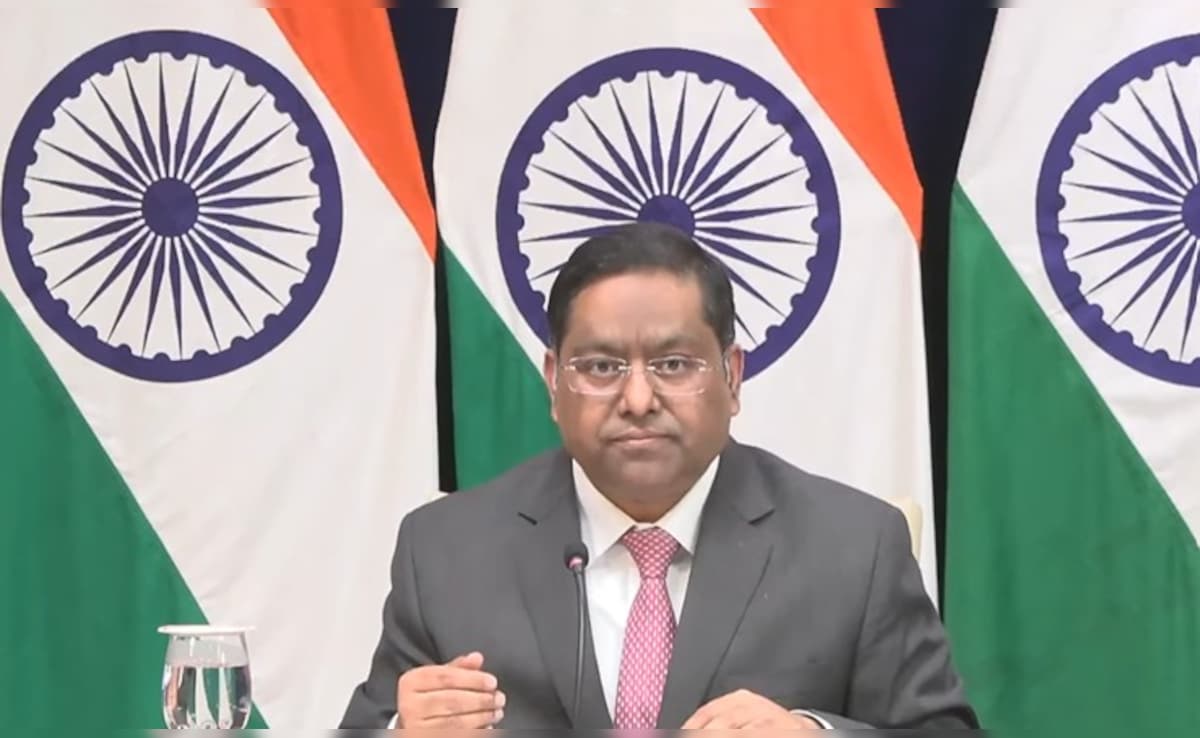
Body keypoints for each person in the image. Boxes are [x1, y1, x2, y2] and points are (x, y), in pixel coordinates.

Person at [340, 222, 979, 730]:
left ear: (732, 377)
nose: (639, 399)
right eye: (601, 367)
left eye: (674, 365)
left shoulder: (854, 547)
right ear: (554, 383)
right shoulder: (445, 551)